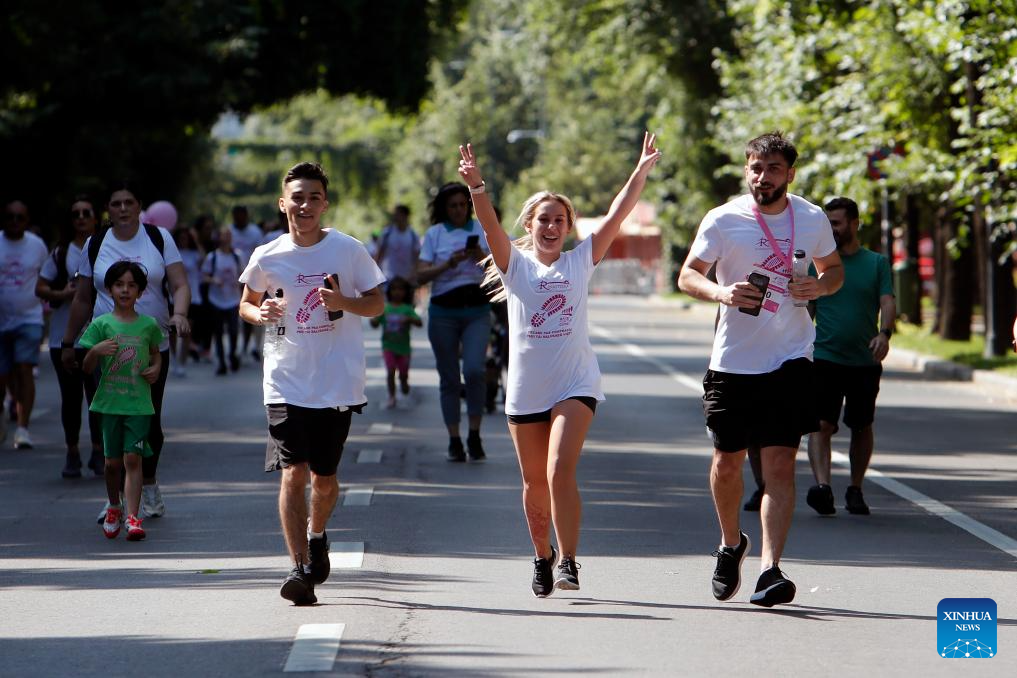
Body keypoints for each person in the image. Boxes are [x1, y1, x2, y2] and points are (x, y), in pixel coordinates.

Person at [459, 133, 661, 596]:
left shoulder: (580, 260)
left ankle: (568, 560)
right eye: (543, 219)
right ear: (530, 225)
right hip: (526, 389)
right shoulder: (515, 266)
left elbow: (618, 214)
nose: (551, 227)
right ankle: (542, 555)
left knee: (557, 471)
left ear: (568, 228)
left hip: (575, 384)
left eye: (559, 220)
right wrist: (476, 187)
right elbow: (489, 226)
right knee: (534, 482)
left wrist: (640, 171)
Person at [677, 131, 844, 608]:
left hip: (791, 358)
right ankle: (731, 543)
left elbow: (833, 270)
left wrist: (820, 287)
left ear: (790, 173)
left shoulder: (810, 217)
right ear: (745, 170)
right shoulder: (723, 218)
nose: (762, 176)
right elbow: (687, 274)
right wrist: (721, 293)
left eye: (772, 168)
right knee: (726, 463)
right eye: (755, 167)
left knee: (779, 466)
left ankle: (771, 569)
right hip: (733, 361)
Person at [238, 161, 384, 606]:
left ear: (325, 204)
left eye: (313, 198)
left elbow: (377, 303)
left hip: (337, 381)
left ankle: (316, 533)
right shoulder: (267, 255)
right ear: (282, 204)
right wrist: (259, 313)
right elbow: (246, 303)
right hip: (285, 380)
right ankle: (299, 568)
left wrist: (343, 301)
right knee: (293, 472)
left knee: (324, 479)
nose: (305, 206)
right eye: (297, 198)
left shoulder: (348, 250)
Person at [62, 180, 191, 520]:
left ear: (139, 206)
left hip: (151, 345)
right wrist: (69, 341)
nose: (122, 209)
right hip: (107, 347)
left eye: (128, 203)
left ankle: (148, 485)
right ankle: (115, 498)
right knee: (110, 418)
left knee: (148, 419)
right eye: (116, 203)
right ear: (108, 209)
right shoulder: (96, 244)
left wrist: (179, 314)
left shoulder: (158, 238)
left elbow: (180, 284)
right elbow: (83, 298)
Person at [805, 197, 896, 516]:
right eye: (827, 223)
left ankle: (855, 488)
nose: (831, 229)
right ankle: (823, 487)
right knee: (820, 424)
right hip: (824, 356)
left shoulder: (876, 263)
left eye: (837, 223)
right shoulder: (818, 264)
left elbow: (887, 301)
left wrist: (884, 333)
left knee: (861, 425)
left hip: (863, 360)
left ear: (855, 224)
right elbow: (807, 308)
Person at [80, 261, 164, 541]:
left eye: (131, 285)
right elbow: (86, 368)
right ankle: (114, 506)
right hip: (109, 405)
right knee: (111, 464)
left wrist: (156, 367)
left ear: (140, 291)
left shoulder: (148, 325)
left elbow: (156, 353)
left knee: (132, 458)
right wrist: (96, 351)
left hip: (138, 405)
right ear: (109, 289)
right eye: (119, 285)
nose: (125, 290)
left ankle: (133, 517)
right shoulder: (101, 324)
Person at [417, 183, 492, 461]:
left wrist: (481, 257)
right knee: (449, 378)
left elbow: (504, 268)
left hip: (477, 310)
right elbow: (420, 275)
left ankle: (474, 433)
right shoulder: (435, 234)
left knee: (474, 371)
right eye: (453, 206)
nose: (459, 210)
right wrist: (447, 264)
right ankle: (454, 439)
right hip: (443, 312)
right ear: (444, 209)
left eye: (463, 204)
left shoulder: (482, 229)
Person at [36, 196, 103, 475]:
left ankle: (99, 451)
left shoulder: (104, 248)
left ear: (96, 218)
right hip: (63, 338)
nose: (81, 218)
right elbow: (40, 287)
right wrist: (62, 293)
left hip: (98, 337)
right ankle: (72, 451)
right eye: (76, 214)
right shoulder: (61, 252)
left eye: (87, 212)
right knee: (71, 398)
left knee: (98, 397)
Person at [0, 200, 48, 449]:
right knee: (3, 375)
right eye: (10, 216)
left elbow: (46, 277)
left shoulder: (37, 246)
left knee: (24, 369)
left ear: (27, 220)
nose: (15, 221)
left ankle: (22, 428)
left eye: (20, 217)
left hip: (29, 318)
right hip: (1, 321)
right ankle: (3, 412)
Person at [369, 276, 422, 409]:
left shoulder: (407, 308)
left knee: (403, 374)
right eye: (394, 289)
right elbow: (374, 323)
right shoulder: (385, 308)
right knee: (390, 371)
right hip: (388, 346)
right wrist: (374, 319)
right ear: (389, 291)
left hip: (404, 349)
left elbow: (419, 322)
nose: (397, 292)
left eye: (400, 289)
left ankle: (404, 382)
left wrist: (409, 319)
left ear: (405, 292)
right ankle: (391, 396)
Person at [202, 226, 243, 375]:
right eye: (223, 235)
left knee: (233, 330)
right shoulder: (212, 257)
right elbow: (204, 276)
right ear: (218, 237)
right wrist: (213, 280)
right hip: (216, 300)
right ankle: (221, 362)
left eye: (228, 235)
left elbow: (243, 274)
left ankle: (232, 354)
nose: (226, 238)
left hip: (233, 299)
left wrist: (239, 282)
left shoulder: (237, 256)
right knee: (218, 332)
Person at [171, 223, 206, 377]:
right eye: (181, 237)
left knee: (186, 331)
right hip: (174, 297)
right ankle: (174, 358)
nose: (183, 240)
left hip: (193, 297)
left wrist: (196, 240)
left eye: (186, 237)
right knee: (172, 332)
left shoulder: (194, 253)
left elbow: (204, 258)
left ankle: (182, 362)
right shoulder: (172, 253)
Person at [230, 205, 263, 360]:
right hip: (231, 280)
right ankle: (235, 347)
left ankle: (247, 346)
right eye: (237, 216)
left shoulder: (255, 232)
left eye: (242, 215)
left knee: (250, 308)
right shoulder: (229, 231)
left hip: (251, 278)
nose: (239, 218)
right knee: (234, 313)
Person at [375, 205, 421, 286]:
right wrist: (376, 273)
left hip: (406, 279)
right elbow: (379, 253)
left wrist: (413, 273)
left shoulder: (413, 235)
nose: (395, 217)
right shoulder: (387, 233)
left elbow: (417, 257)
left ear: (406, 216)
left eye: (398, 214)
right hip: (388, 277)